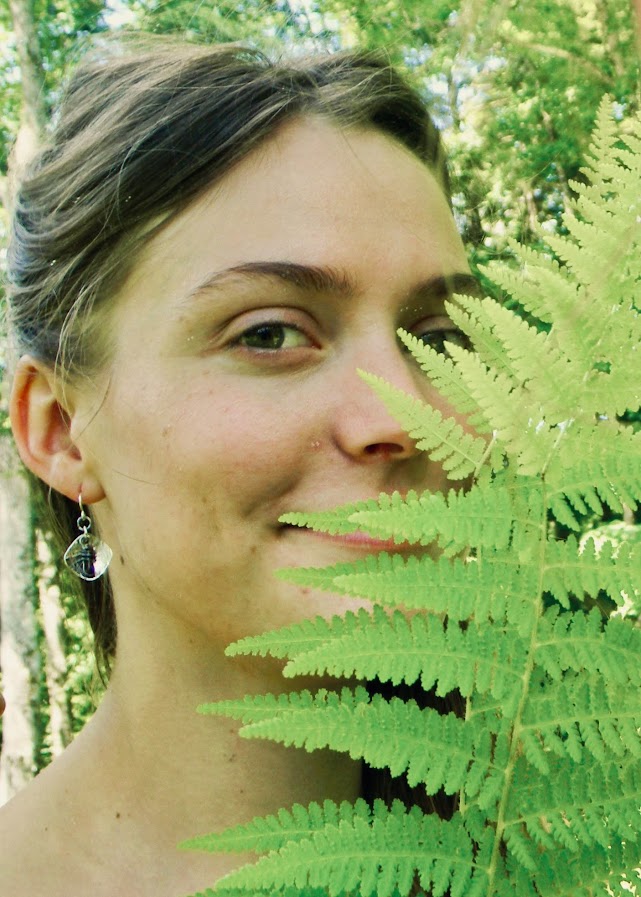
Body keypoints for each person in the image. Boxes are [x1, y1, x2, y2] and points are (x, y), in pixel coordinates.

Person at [0, 37, 476, 896]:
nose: (402, 417)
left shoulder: (543, 856)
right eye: (269, 333)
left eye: (435, 341)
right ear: (63, 430)